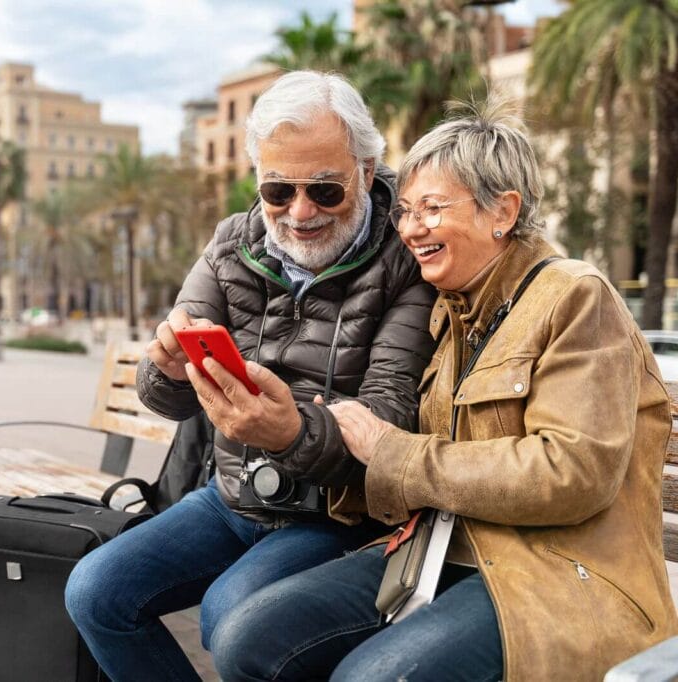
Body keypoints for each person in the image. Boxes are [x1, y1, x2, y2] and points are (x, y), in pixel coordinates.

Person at [209, 100, 678, 681]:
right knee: (246, 637)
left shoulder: (576, 298)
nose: (409, 229)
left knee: (372, 678)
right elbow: (410, 446)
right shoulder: (451, 310)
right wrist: (314, 437)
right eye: (405, 211)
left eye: (431, 209)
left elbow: (572, 473)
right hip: (443, 551)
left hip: (560, 578)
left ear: (502, 211)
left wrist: (392, 453)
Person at [65, 70, 437, 681]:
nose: (299, 211)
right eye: (277, 189)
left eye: (325, 190)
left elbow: (389, 417)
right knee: (95, 593)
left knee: (228, 614)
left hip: (338, 514)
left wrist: (289, 433)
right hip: (231, 495)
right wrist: (167, 371)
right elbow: (164, 399)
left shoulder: (405, 258)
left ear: (367, 173)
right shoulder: (233, 242)